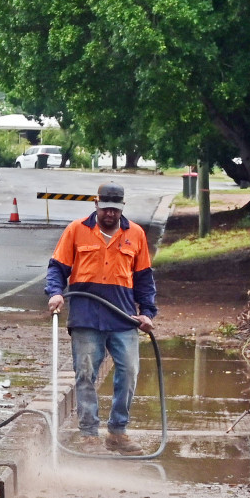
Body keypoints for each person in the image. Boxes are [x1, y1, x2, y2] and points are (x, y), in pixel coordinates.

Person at [45, 181, 157, 450]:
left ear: (122, 208)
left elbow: (144, 279)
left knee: (129, 371)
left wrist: (148, 312)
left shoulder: (136, 234)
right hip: (86, 316)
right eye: (106, 208)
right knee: (85, 374)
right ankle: (88, 434)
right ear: (96, 204)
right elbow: (57, 268)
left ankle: (117, 432)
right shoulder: (76, 230)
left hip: (123, 317)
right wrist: (55, 293)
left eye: (115, 210)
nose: (110, 214)